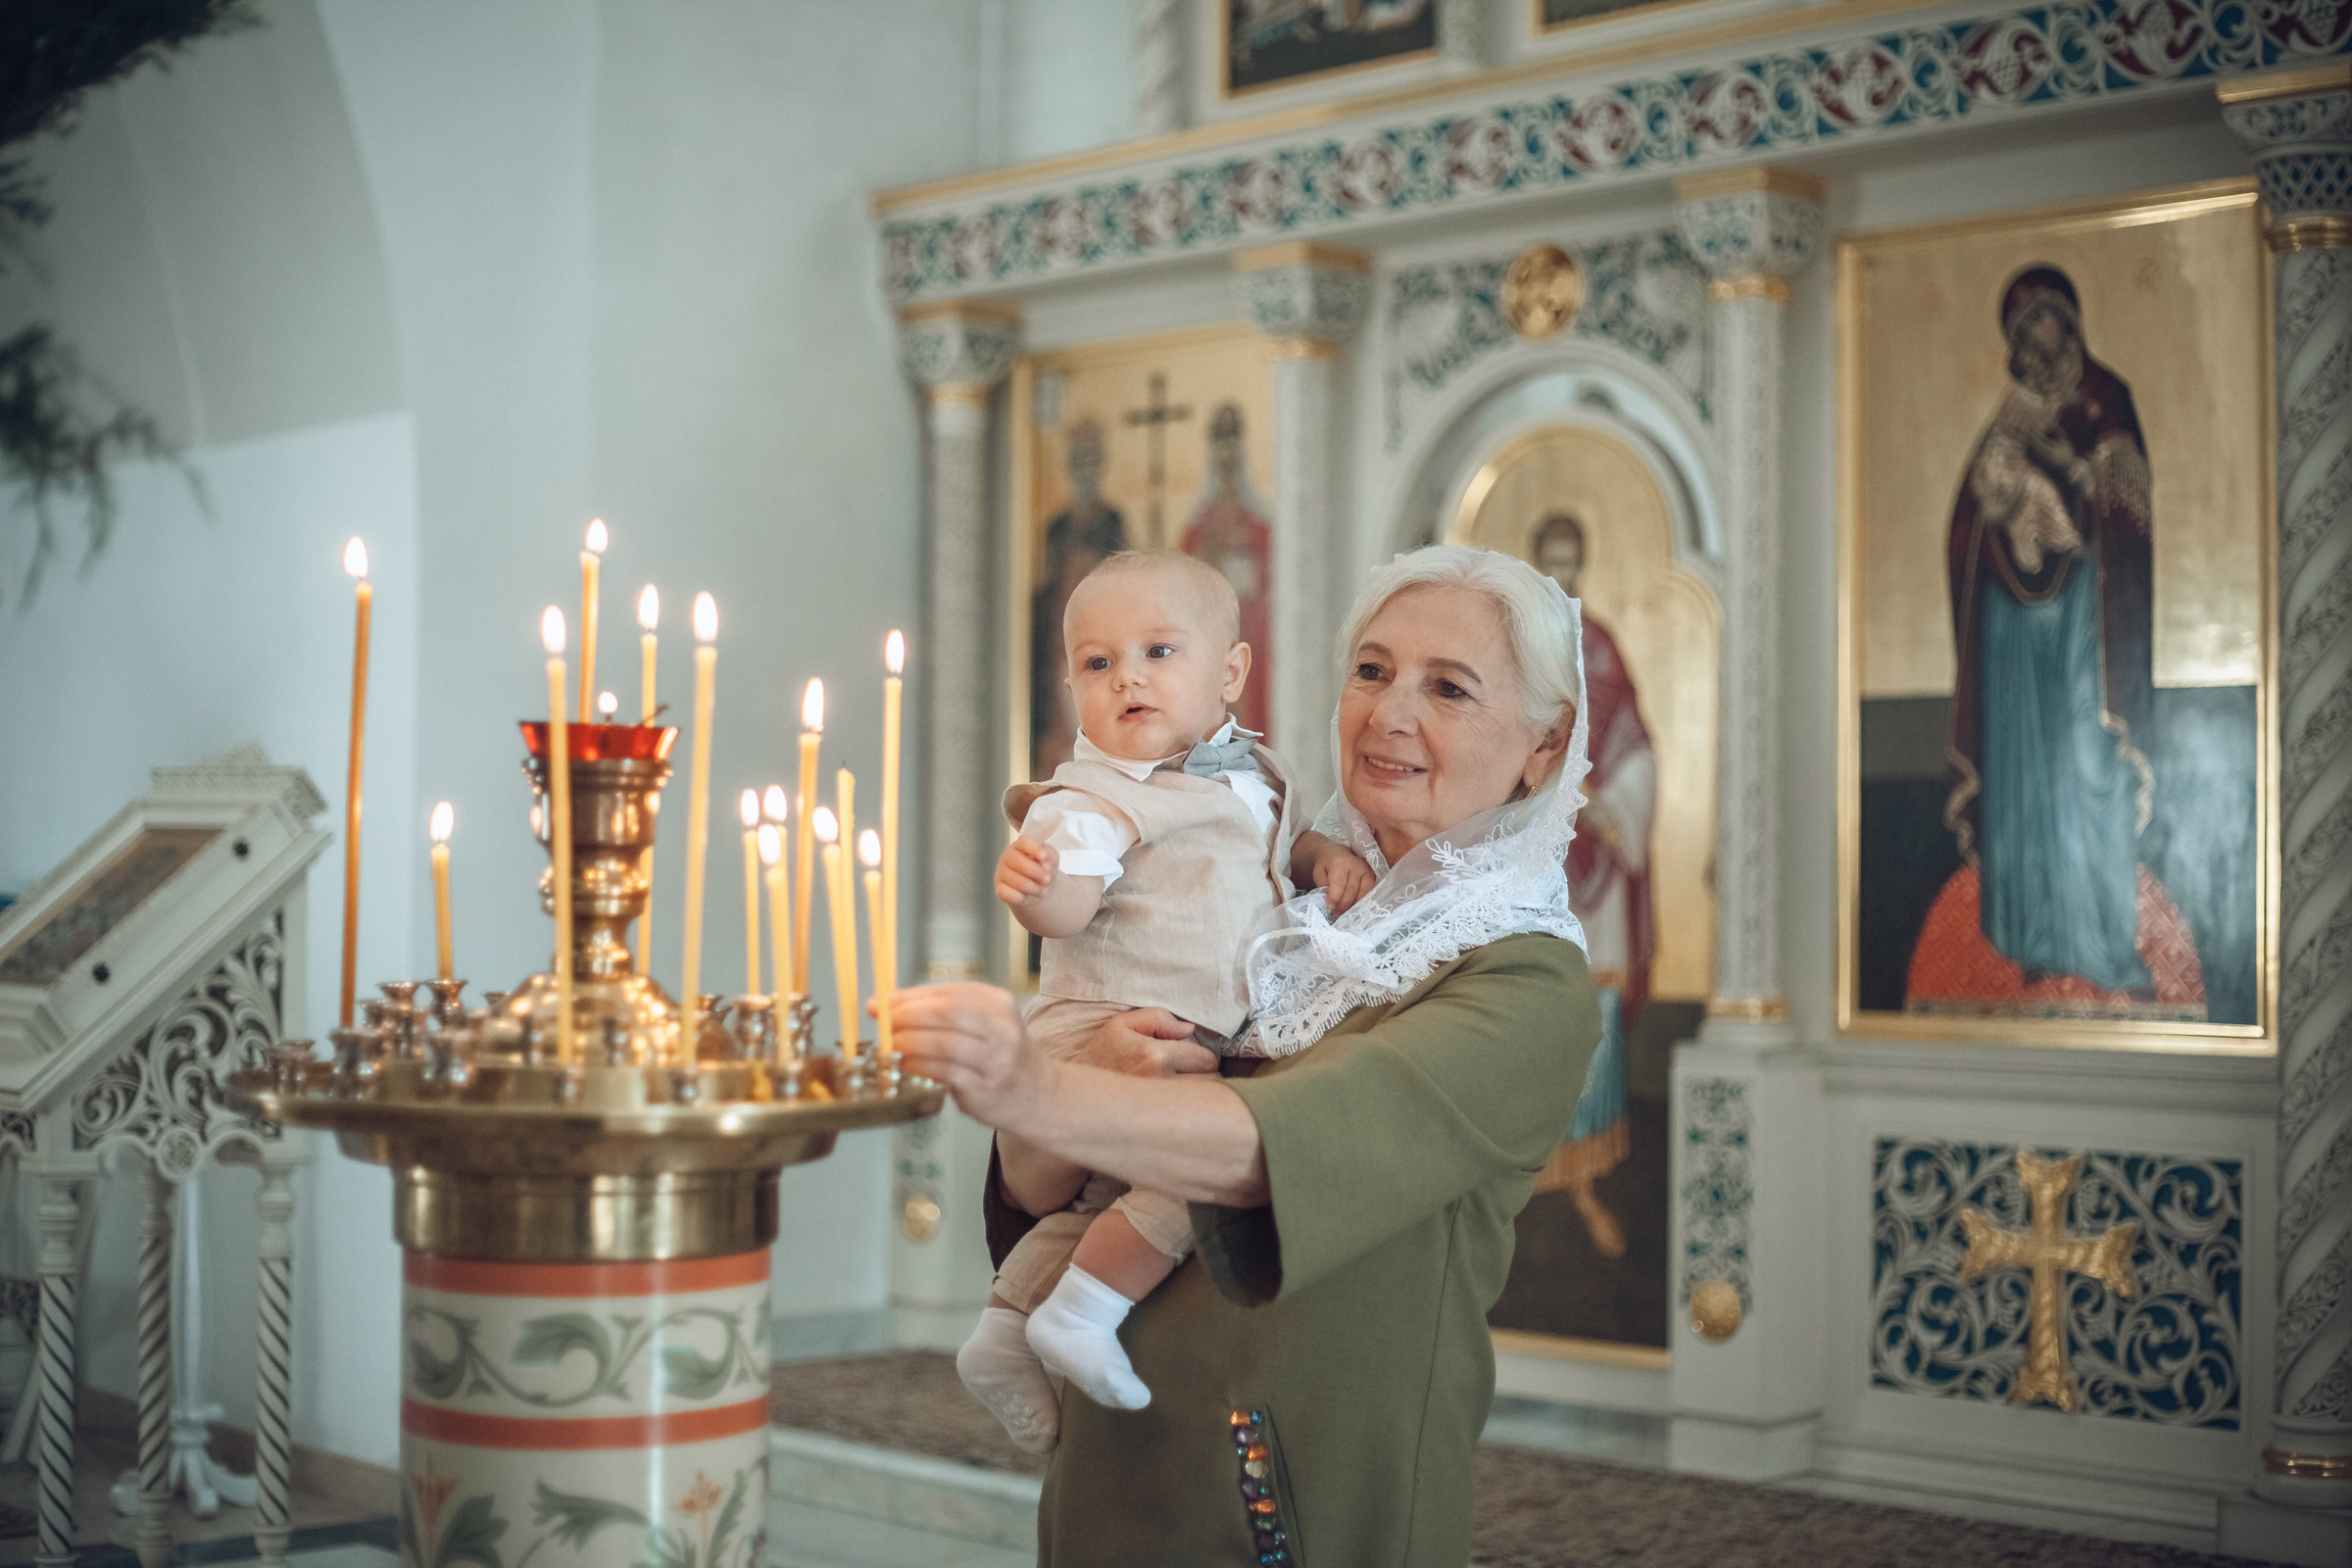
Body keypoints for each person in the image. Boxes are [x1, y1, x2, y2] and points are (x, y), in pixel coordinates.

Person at [894, 545, 1602, 1568]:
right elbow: (1035, 1182)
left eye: (1448, 688)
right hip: (1113, 1473)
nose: (1389, 713)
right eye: (1371, 670)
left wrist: (1036, 1085)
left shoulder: (1523, 975)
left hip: (1289, 1511)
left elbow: (1268, 1150)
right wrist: (1074, 1078)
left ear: (1547, 743)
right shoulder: (1270, 897)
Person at [958, 549, 1373, 1452]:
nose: (1128, 678)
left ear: (1230, 671)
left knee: (1102, 1202)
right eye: (1097, 662)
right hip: (1104, 1028)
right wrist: (1037, 891)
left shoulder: (1256, 772)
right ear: (1071, 685)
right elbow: (1068, 904)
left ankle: (1004, 1330)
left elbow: (1273, 845)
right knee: (1198, 1174)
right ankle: (1083, 1311)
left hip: (1182, 1029)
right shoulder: (1092, 798)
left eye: (1157, 652)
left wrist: (1321, 860)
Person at [1943, 265, 2156, 995]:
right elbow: (1965, 527)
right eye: (2025, 328)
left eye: (2048, 321)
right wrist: (2001, 512)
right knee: (2023, 769)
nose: (2040, 339)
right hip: (2014, 622)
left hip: (2086, 611)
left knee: (2089, 759)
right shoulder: (2010, 413)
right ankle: (2033, 936)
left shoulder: (2106, 398)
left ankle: (2105, 944)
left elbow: (2129, 503)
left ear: (2070, 324)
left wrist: (2071, 468)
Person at [1528, 511, 1655, 1259]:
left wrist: (1614, 803)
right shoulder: (1514, 650)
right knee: (1527, 999)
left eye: (1571, 561)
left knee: (1594, 1007)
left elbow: (1636, 745)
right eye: (1551, 561)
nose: (1562, 575)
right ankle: (1524, 1164)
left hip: (1597, 856)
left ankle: (1587, 1177)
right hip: (1531, 855)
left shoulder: (1600, 648)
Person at [1181, 403, 1274, 734]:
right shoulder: (1198, 526)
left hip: (1251, 626)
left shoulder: (1258, 521)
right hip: (1210, 629)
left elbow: (1270, 577)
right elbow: (1182, 587)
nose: (1226, 448)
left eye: (1232, 436)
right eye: (1219, 438)